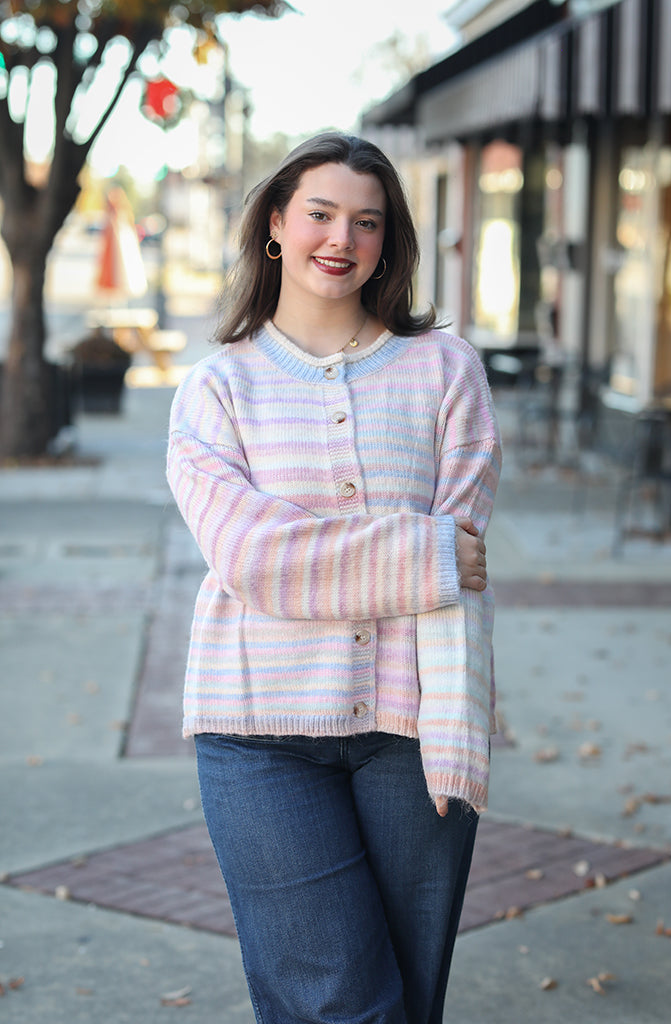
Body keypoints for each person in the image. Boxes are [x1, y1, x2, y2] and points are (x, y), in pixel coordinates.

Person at [166, 132, 502, 1024]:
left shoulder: (444, 370)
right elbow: (252, 557)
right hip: (258, 731)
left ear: (386, 241)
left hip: (414, 726)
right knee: (338, 1004)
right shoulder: (216, 391)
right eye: (319, 213)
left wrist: (424, 554)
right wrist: (418, 555)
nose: (339, 238)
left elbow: (463, 539)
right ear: (276, 223)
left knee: (407, 995)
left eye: (366, 221)